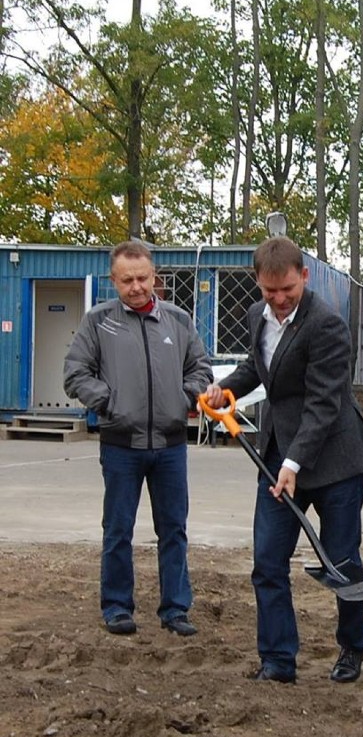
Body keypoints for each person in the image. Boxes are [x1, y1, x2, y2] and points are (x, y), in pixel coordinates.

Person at [204, 236, 363, 685]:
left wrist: (294, 463)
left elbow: (323, 403)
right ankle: (279, 659)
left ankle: (353, 645)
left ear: (304, 276)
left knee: (341, 562)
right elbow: (259, 367)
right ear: (258, 284)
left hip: (336, 460)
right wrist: (229, 389)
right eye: (269, 292)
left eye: (288, 291)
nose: (279, 301)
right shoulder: (256, 317)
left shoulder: (328, 325)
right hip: (279, 454)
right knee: (267, 562)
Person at [64, 240, 213, 637]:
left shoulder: (178, 321)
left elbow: (200, 368)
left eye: (143, 278)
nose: (136, 287)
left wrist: (182, 398)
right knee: (117, 530)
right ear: (113, 280)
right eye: (127, 280)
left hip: (170, 446)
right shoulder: (97, 322)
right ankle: (116, 607)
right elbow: (75, 373)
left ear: (154, 276)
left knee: (174, 529)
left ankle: (175, 609)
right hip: (120, 446)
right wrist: (109, 402)